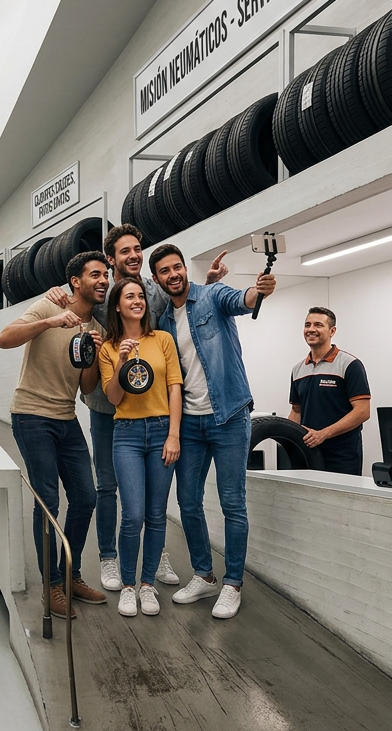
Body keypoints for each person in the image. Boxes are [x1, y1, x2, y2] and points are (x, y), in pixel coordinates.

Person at [45, 222, 227, 593]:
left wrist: (206, 285)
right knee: (108, 486)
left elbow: (179, 306)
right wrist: (56, 295)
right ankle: (109, 559)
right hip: (107, 405)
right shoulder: (100, 291)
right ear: (111, 258)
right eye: (124, 251)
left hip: (149, 404)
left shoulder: (152, 290)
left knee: (152, 493)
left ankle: (155, 555)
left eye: (137, 249)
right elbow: (75, 304)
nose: (133, 256)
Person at [149, 243, 276, 620]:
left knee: (232, 502)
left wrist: (259, 291)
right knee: (188, 503)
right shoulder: (164, 321)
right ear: (157, 279)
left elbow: (243, 299)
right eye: (164, 272)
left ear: (184, 269)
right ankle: (204, 575)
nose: (172, 275)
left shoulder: (212, 295)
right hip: (188, 421)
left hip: (229, 416)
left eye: (176, 267)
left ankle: (233, 583)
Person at [0, 251, 111, 618]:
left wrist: (94, 355)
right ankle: (51, 586)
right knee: (48, 500)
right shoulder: (48, 305)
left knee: (86, 497)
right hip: (31, 415)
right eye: (96, 274)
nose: (103, 281)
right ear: (75, 281)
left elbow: (87, 387)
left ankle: (70, 575)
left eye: (105, 275)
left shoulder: (97, 329)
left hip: (65, 417)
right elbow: (5, 338)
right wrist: (50, 322)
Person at [97, 277, 182, 617]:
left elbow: (174, 387)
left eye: (140, 296)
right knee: (132, 515)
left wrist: (174, 435)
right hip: (127, 434)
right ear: (117, 306)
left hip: (162, 430)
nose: (137, 301)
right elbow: (113, 397)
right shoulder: (107, 347)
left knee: (156, 514)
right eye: (129, 296)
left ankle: (148, 585)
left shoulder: (162, 340)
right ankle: (128, 586)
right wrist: (120, 361)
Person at [288, 307, 370, 475]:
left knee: (341, 501)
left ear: (332, 331)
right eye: (307, 324)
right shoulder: (297, 369)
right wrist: (288, 440)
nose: (311, 329)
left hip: (341, 455)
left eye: (318, 325)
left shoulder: (350, 364)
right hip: (308, 452)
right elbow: (296, 411)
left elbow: (363, 411)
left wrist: (323, 434)